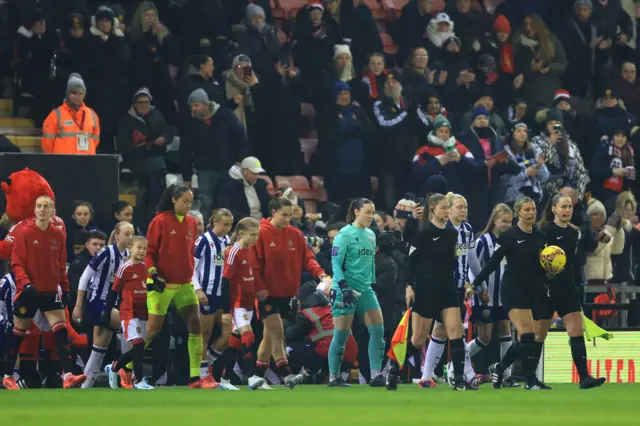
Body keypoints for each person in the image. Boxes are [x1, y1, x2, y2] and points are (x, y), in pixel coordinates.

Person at [390, 193, 474, 391]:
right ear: (433, 210)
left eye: (447, 207)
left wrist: (466, 282)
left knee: (456, 333)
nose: (446, 211)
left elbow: (454, 262)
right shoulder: (423, 234)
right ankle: (393, 370)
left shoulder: (452, 234)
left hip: (447, 288)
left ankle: (460, 380)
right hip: (426, 289)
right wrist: (410, 286)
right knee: (417, 340)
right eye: (443, 207)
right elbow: (411, 263)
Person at [4, 196, 86, 390]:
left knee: (60, 330)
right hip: (29, 292)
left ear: (52, 211)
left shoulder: (58, 234)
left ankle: (67, 375)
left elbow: (60, 264)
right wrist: (25, 284)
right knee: (19, 333)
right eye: (39, 206)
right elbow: (16, 262)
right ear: (34, 210)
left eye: (46, 207)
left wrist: (65, 288)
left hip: (50, 291)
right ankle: (7, 376)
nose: (42, 210)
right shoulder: (24, 231)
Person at [467, 197, 548, 390]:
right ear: (518, 212)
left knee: (534, 338)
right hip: (513, 289)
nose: (531, 212)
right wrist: (475, 284)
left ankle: (502, 368)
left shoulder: (540, 236)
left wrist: (550, 271)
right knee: (527, 336)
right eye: (527, 209)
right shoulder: (509, 236)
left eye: (533, 209)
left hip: (534, 290)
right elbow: (493, 262)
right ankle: (527, 378)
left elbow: (542, 266)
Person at [253, 196, 326, 389]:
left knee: (272, 335)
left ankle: (270, 376)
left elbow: (308, 259)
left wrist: (320, 273)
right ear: (273, 212)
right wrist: (259, 286)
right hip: (266, 293)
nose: (288, 219)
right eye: (284, 215)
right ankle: (270, 374)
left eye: (290, 214)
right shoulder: (260, 233)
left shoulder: (295, 234)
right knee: (275, 331)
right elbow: (253, 264)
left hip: (288, 293)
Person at [536, 193, 606, 389]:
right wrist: (545, 275)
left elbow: (574, 262)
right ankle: (527, 376)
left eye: (570, 207)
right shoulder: (543, 231)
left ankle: (584, 377)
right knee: (539, 335)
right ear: (554, 209)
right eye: (564, 207)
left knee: (576, 331)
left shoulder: (574, 232)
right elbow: (537, 260)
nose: (567, 210)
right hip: (547, 288)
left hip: (568, 288)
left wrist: (577, 285)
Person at [414, 193, 484, 389]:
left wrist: (478, 284)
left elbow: (472, 260)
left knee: (448, 331)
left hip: (460, 287)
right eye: (459, 207)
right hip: (442, 286)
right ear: (448, 209)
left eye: (466, 207)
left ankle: (432, 376)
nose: (463, 211)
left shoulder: (467, 230)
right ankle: (454, 375)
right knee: (439, 332)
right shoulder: (442, 230)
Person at [144, 185, 208, 388]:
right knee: (153, 330)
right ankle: (125, 366)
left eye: (190, 202)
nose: (188, 205)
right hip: (163, 283)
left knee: (195, 323)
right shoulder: (160, 221)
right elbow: (149, 252)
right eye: (185, 201)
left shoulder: (191, 223)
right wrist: (153, 272)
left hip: (184, 283)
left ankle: (195, 377)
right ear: (173, 200)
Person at [328, 198, 385, 387]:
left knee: (378, 329)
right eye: (367, 212)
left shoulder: (370, 235)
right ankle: (333, 377)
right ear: (356, 212)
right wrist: (343, 286)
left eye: (373, 212)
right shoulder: (344, 234)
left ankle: (376, 374)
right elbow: (335, 262)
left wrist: (371, 282)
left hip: (365, 289)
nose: (371, 216)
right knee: (342, 335)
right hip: (345, 289)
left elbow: (370, 263)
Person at [72, 221, 133, 388]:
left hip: (113, 305)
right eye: (126, 234)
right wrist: (78, 305)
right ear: (117, 235)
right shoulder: (106, 253)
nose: (129, 238)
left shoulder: (128, 255)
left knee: (98, 350)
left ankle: (85, 387)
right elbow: (85, 278)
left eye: (131, 234)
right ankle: (121, 369)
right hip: (97, 304)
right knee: (130, 327)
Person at [467, 203, 520, 387]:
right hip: (485, 296)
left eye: (510, 221)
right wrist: (480, 290)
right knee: (485, 337)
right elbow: (473, 268)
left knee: (505, 331)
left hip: (503, 296)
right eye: (504, 221)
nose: (507, 224)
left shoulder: (510, 240)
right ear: (495, 220)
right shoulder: (483, 241)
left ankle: (505, 375)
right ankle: (458, 362)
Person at [180, 88, 248, 216]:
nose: (193, 109)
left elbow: (241, 138)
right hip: (204, 171)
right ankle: (204, 234)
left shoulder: (226, 116)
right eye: (191, 106)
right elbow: (185, 151)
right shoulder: (190, 124)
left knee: (226, 205)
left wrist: (239, 160)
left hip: (228, 169)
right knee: (206, 204)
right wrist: (187, 177)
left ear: (206, 104)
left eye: (196, 105)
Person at [104, 236, 154, 390]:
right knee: (138, 345)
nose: (142, 251)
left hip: (142, 312)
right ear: (130, 248)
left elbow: (143, 287)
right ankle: (139, 381)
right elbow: (114, 291)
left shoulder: (144, 268)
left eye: (144, 248)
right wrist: (107, 312)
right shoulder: (125, 268)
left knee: (138, 348)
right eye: (139, 247)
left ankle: (113, 367)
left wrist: (154, 287)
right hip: (128, 312)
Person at [192, 209, 233, 388]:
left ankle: (206, 366)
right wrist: (198, 289)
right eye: (224, 224)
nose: (227, 228)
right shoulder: (203, 241)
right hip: (206, 294)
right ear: (215, 222)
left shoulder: (228, 241)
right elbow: (191, 267)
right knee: (205, 334)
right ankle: (202, 375)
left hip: (222, 294)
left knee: (228, 335)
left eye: (230, 225)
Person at [222, 217, 263, 390]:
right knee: (249, 336)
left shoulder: (250, 250)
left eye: (257, 235)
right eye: (252, 234)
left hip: (249, 301)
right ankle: (252, 377)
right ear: (241, 233)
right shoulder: (233, 251)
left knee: (235, 341)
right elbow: (225, 280)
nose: (255, 238)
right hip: (237, 302)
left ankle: (224, 379)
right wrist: (225, 310)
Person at [42, 73, 100, 155]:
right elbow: (47, 144)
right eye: (74, 93)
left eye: (80, 94)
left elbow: (95, 140)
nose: (77, 96)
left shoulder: (92, 115)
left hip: (86, 162)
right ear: (68, 93)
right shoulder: (56, 115)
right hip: (62, 163)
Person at [217, 157, 271, 223]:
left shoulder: (260, 184)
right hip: (243, 226)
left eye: (257, 174)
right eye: (253, 173)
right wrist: (249, 220)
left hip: (263, 224)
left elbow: (269, 205)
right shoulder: (229, 186)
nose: (256, 176)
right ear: (244, 171)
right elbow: (226, 209)